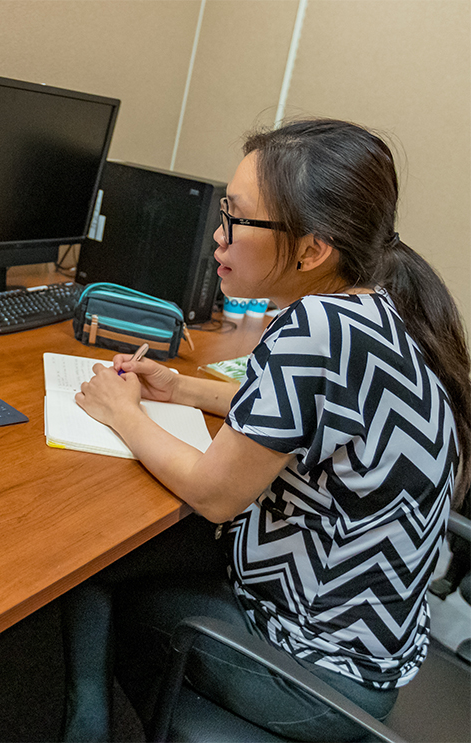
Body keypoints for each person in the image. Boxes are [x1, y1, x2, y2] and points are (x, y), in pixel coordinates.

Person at [62, 118, 470, 741]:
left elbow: (215, 494)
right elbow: (301, 416)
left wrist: (124, 412)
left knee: (90, 571)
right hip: (372, 659)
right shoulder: (373, 309)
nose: (218, 238)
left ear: (311, 250)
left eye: (236, 218)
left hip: (317, 678)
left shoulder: (313, 329)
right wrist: (183, 388)